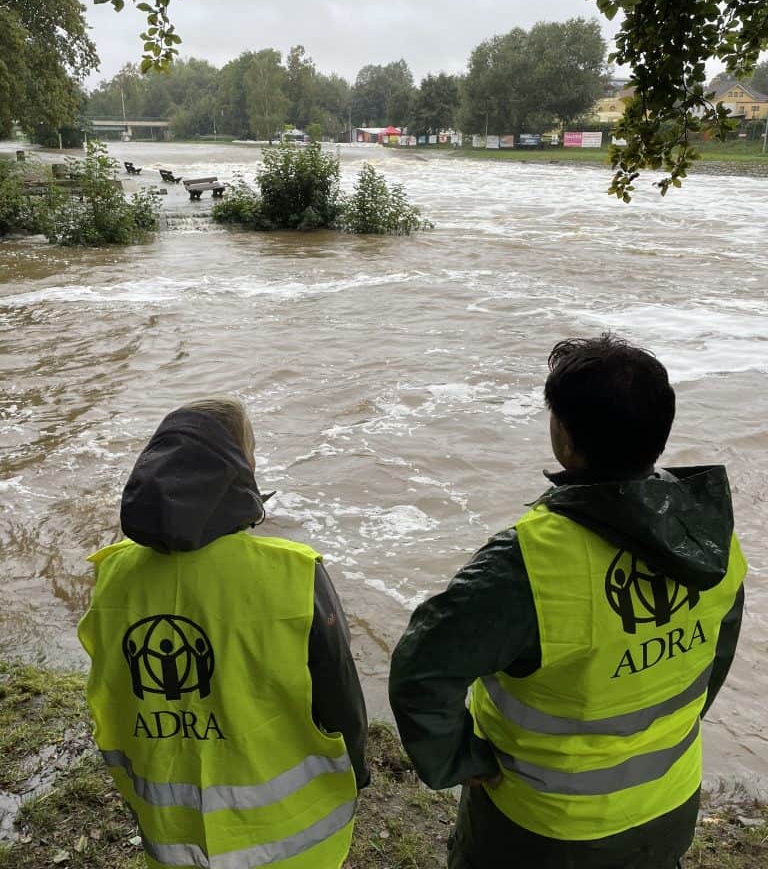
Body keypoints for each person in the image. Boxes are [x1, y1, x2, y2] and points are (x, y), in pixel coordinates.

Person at [389, 334, 746, 869]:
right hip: (668, 804)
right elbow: (713, 664)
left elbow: (422, 675)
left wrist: (463, 761)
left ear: (565, 440)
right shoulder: (710, 537)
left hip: (542, 827)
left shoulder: (525, 565)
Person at [78, 398, 368, 869]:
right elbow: (339, 697)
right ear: (243, 469)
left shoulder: (111, 576)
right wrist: (358, 773)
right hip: (292, 842)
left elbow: (112, 691)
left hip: (171, 835)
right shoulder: (294, 574)